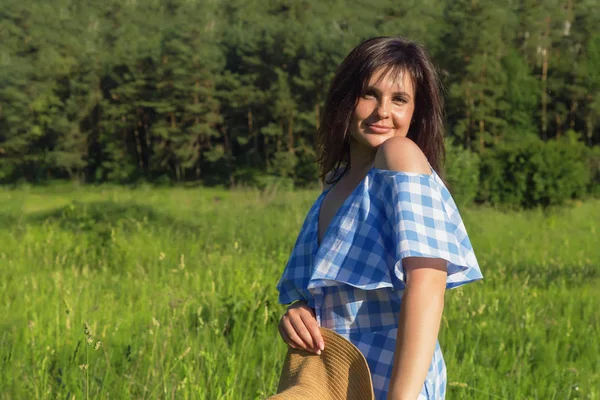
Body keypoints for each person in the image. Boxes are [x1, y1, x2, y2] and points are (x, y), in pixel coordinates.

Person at [276, 36, 483, 400]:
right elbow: (328, 296)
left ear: (416, 112)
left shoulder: (399, 155)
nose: (382, 111)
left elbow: (427, 284)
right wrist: (297, 314)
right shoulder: (334, 187)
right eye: (369, 94)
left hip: (392, 379)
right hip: (332, 376)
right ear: (345, 99)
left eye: (399, 99)